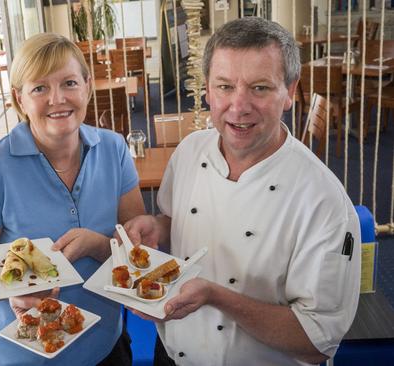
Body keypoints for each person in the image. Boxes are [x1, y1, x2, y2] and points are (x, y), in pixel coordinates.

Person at [123, 17, 361, 365]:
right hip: (172, 353)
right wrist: (155, 227)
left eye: (260, 88)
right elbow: (174, 219)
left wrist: (216, 297)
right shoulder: (190, 151)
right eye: (224, 86)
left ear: (290, 92)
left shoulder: (323, 202)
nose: (238, 106)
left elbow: (317, 342)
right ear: (206, 89)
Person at [0, 32, 145, 366]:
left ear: (87, 86)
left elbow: (136, 247)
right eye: (39, 88)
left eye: (69, 83)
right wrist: (12, 289)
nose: (57, 99)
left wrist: (99, 246)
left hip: (107, 344)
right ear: (19, 98)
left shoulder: (114, 150)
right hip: (25, 354)